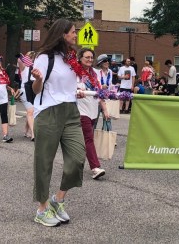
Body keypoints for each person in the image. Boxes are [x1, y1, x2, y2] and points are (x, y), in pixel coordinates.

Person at [31, 18, 86, 227]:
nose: (75, 35)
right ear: (62, 34)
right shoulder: (44, 58)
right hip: (48, 112)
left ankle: (58, 199)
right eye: (73, 32)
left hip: (71, 112)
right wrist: (37, 78)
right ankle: (42, 209)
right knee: (44, 162)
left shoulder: (70, 57)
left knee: (77, 158)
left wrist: (76, 91)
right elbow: (35, 90)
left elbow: (70, 84)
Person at [76, 48, 108, 180]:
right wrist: (77, 91)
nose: (90, 60)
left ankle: (75, 163)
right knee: (88, 139)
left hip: (93, 109)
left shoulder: (95, 73)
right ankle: (95, 167)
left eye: (91, 57)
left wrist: (105, 109)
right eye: (86, 57)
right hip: (80, 110)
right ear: (80, 58)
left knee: (84, 140)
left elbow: (99, 92)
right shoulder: (74, 72)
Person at [18, 52, 36, 140]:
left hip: (34, 92)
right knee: (30, 111)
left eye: (31, 57)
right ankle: (33, 133)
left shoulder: (36, 67)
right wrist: (21, 56)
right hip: (25, 91)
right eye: (28, 56)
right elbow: (19, 61)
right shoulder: (24, 67)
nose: (29, 58)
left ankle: (26, 131)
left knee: (32, 112)